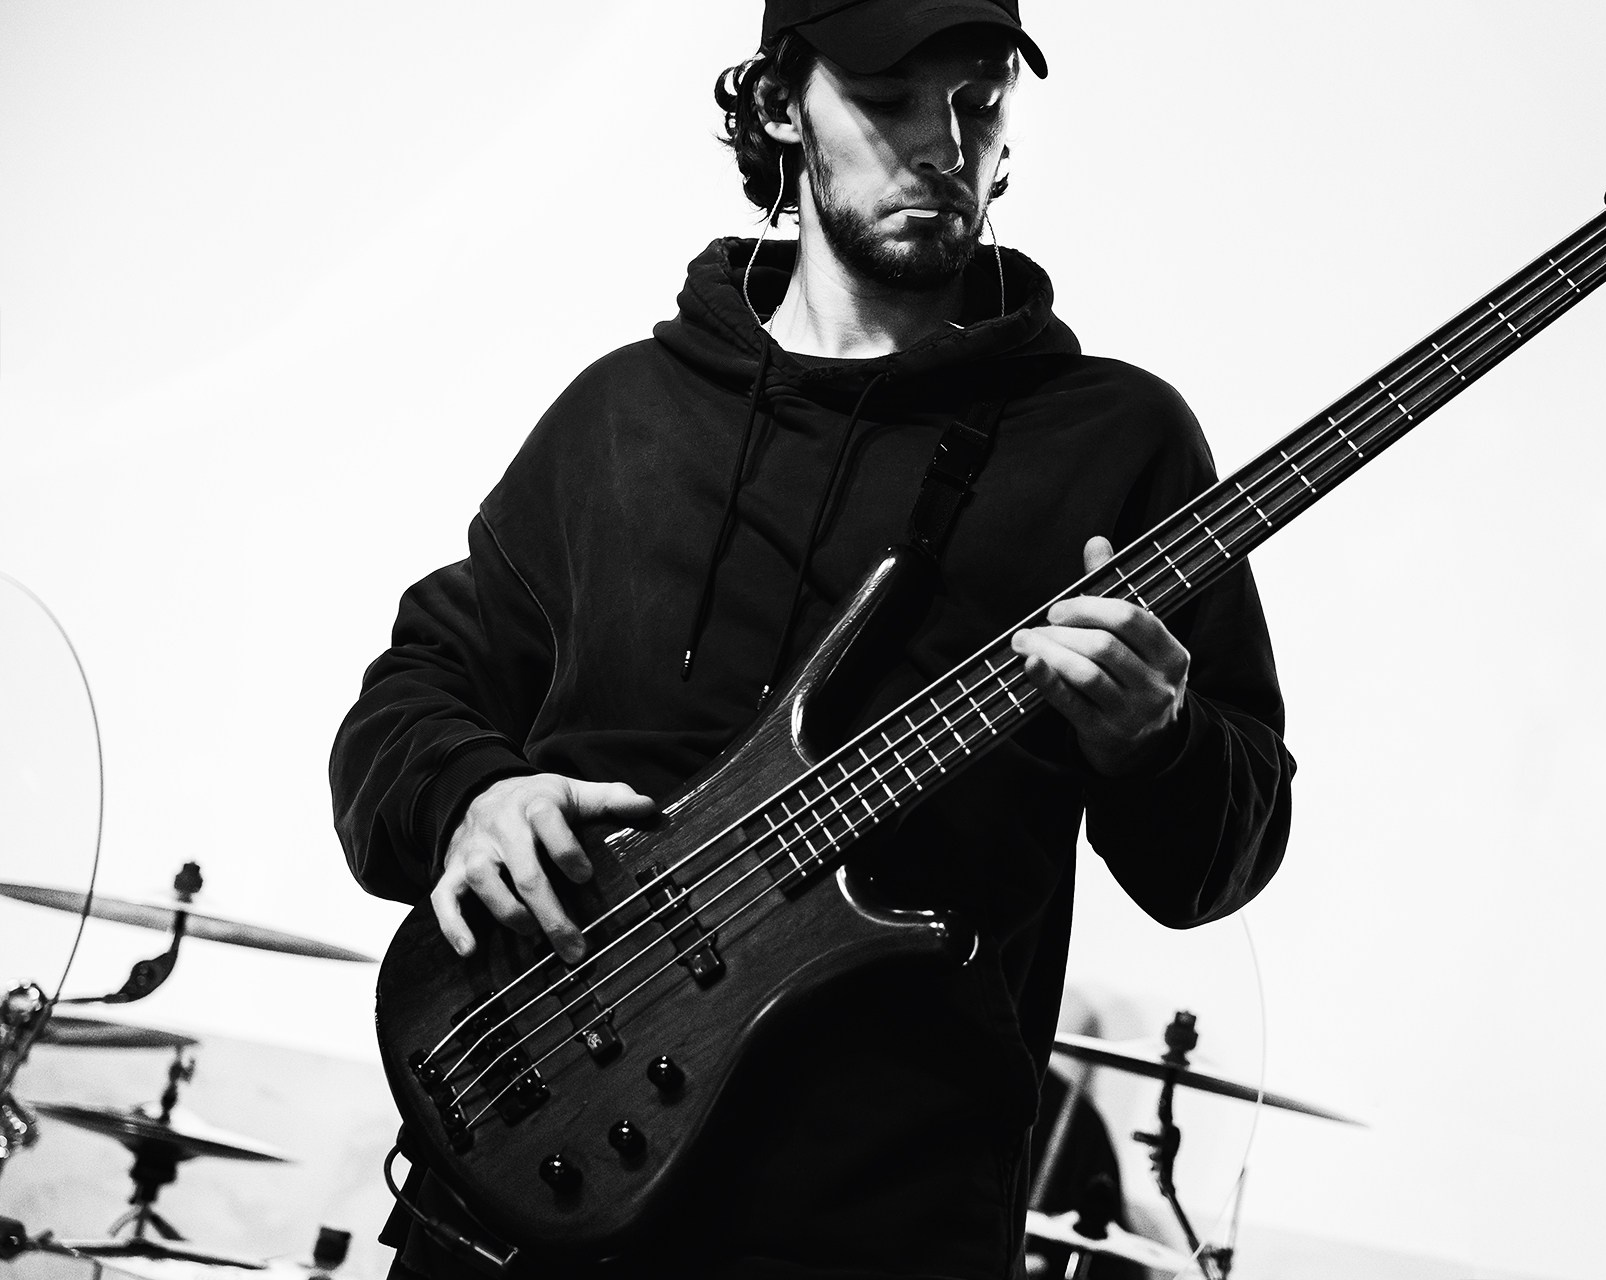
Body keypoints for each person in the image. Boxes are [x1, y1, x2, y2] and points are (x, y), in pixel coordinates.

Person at [331, 2, 1294, 1276]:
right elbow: (405, 702)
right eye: (890, 101)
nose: (944, 145)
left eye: (979, 101)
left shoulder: (1117, 444)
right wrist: (472, 795)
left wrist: (1156, 741)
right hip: (514, 1207)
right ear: (781, 104)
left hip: (878, 1231)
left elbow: (1219, 857)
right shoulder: (624, 413)